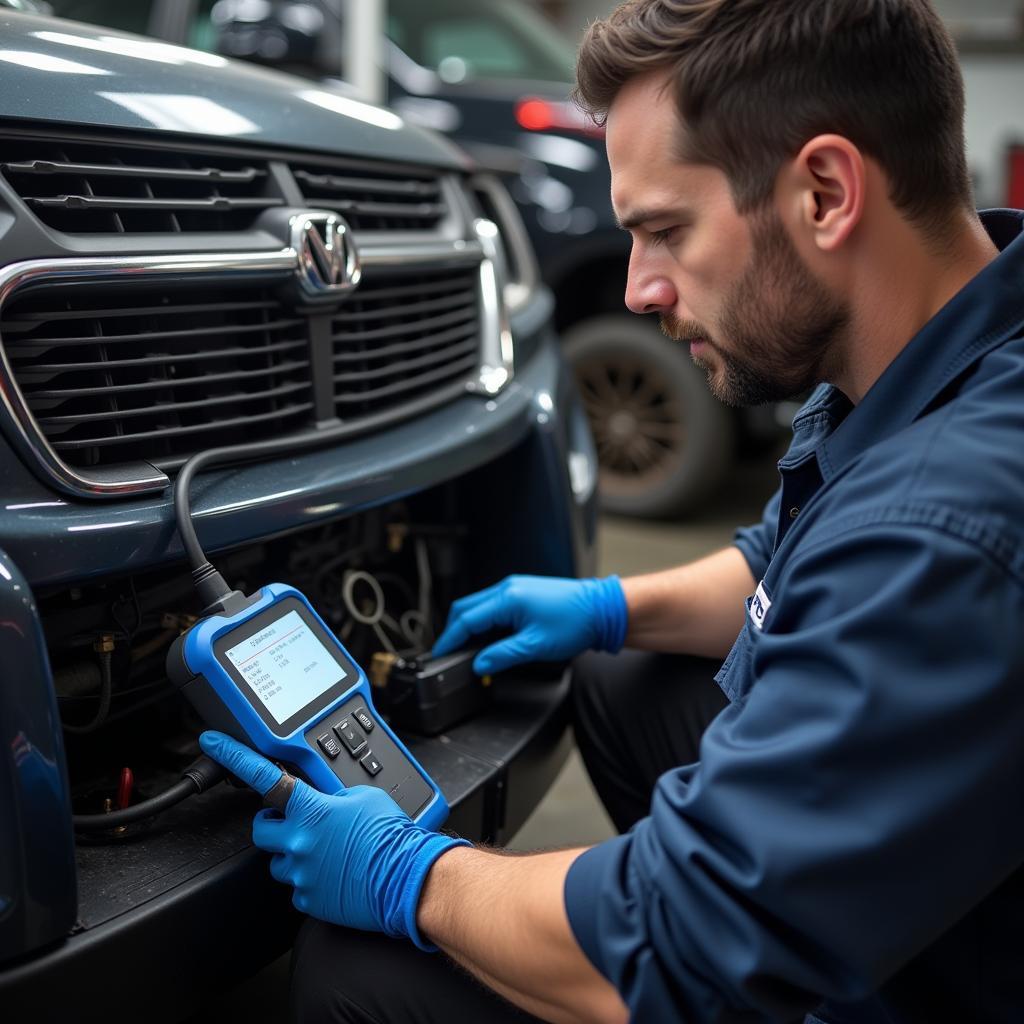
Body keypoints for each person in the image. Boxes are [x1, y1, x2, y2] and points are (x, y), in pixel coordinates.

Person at [199, 1, 1024, 1021]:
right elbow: (785, 567)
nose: (638, 288)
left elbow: (673, 941)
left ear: (823, 191)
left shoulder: (948, 522)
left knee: (358, 972)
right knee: (625, 672)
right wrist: (603, 607)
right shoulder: (934, 349)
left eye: (665, 230)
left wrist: (410, 875)